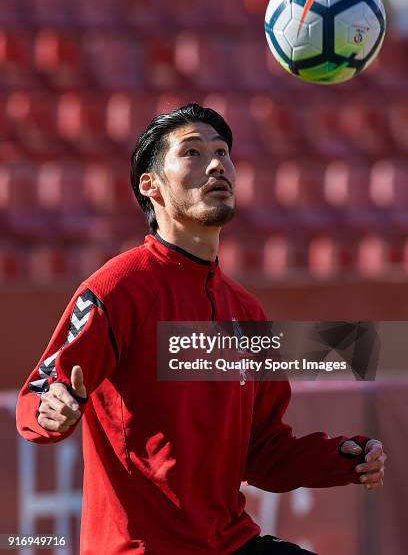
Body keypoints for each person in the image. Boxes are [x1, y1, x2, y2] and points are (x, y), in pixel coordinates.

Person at [16, 104, 387, 555]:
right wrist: (49, 411)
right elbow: (37, 395)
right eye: (192, 152)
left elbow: (264, 452)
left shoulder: (245, 310)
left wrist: (343, 459)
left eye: (223, 152)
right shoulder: (117, 288)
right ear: (150, 185)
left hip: (230, 541)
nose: (217, 164)